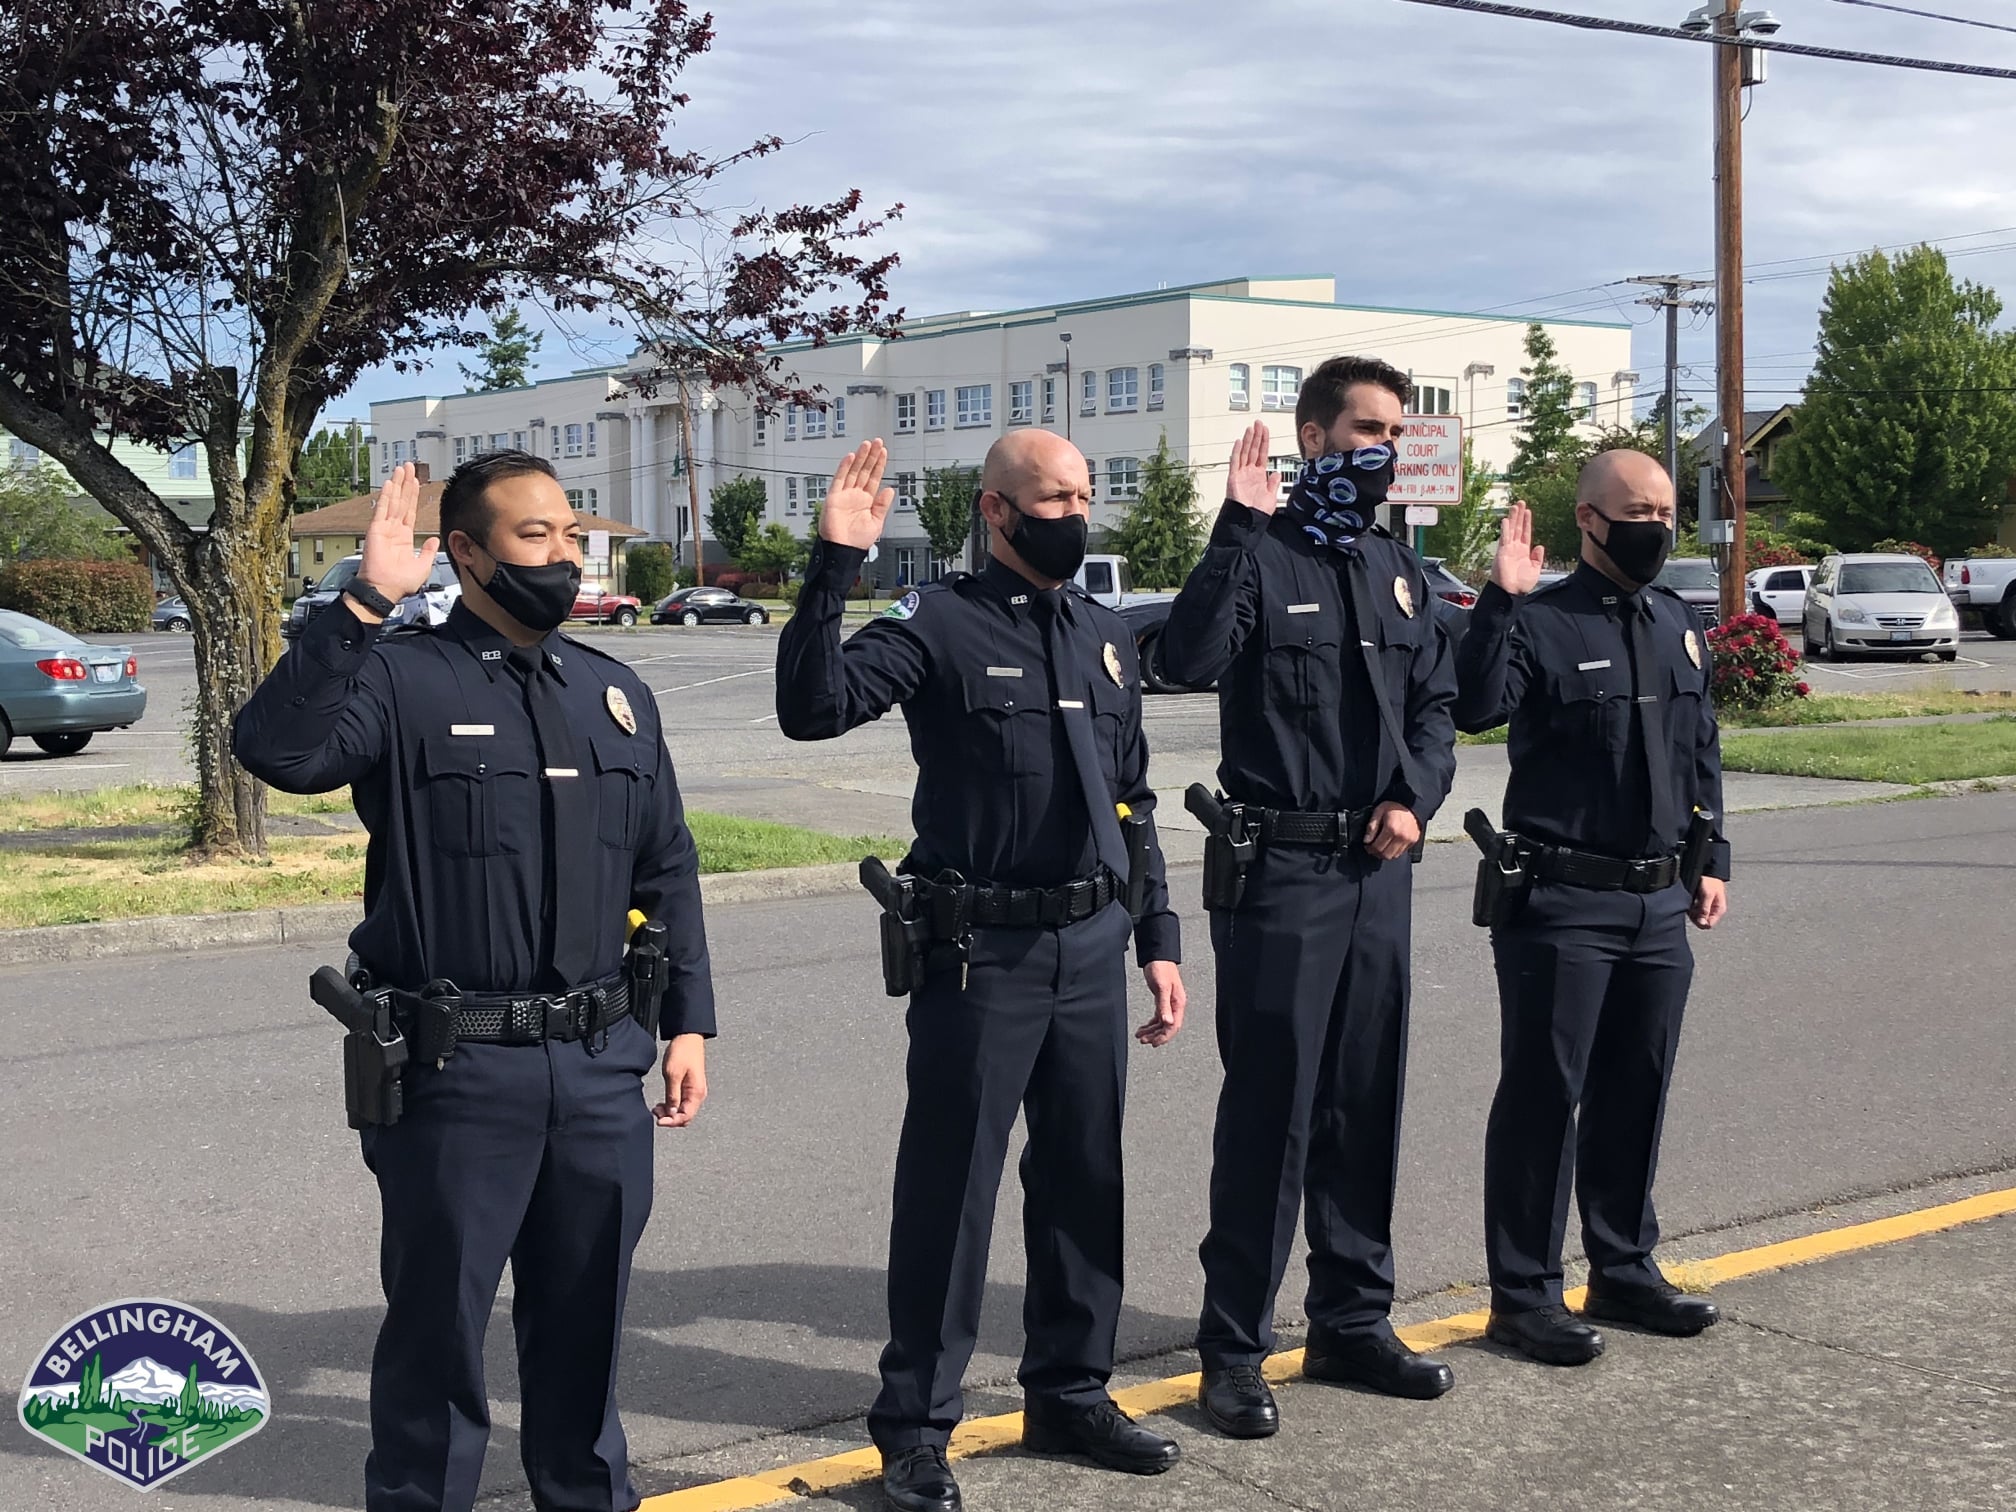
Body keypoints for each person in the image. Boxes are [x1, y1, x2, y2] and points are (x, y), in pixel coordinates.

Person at [233, 455, 715, 1512]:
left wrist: (688, 1023)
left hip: (600, 1066)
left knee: (585, 1328)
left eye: (570, 536)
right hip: (456, 1073)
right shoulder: (401, 678)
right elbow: (278, 752)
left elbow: (666, 866)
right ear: (466, 551)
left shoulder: (614, 694)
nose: (564, 556)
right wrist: (363, 603)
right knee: (438, 1338)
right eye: (534, 536)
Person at [776, 434, 1187, 1512]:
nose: (1077, 512)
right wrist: (834, 565)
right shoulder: (939, 623)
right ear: (997, 511)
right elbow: (813, 710)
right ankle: (915, 1430)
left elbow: (1133, 800)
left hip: (1092, 945)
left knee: (1084, 1181)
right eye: (1056, 497)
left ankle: (1072, 1392)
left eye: (1086, 493)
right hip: (981, 953)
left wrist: (1158, 936)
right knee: (951, 1193)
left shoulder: (1104, 636)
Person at [1159, 356, 1459, 1439]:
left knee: (1363, 1103)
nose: (1387, 447)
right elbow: (1188, 658)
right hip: (1281, 873)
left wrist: (1416, 798)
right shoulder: (1260, 552)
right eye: (1369, 429)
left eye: (1397, 431)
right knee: (1272, 1114)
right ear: (1315, 437)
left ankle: (1352, 1321)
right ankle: (1233, 1350)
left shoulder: (1399, 567)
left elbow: (1436, 709)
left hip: (1378, 872)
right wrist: (1232, 532)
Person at [1452, 451, 1730, 1367]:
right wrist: (1499, 600)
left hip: (1657, 902)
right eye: (1636, 512)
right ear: (1588, 519)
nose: (1654, 526)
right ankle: (1525, 1296)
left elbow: (1700, 750)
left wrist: (1711, 859)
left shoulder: (1676, 622)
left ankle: (1623, 1268)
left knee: (1635, 1090)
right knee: (1544, 1097)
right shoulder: (1540, 621)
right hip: (1562, 901)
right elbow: (1475, 705)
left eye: (1663, 511)